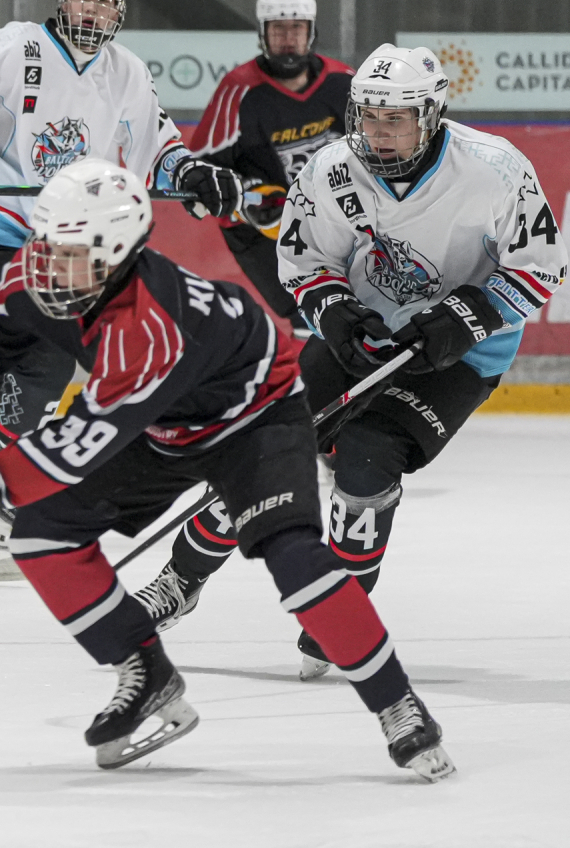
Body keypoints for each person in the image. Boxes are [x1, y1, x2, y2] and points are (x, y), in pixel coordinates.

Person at [0, 159, 452, 780]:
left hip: (254, 421)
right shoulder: (49, 267)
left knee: (294, 557)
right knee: (42, 534)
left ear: (116, 256)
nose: (48, 266)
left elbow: (71, 449)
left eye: (71, 254)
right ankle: (146, 673)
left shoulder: (148, 329)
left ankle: (398, 705)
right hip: (163, 423)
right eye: (46, 245)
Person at [134, 45, 564, 677]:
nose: (378, 133)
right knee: (261, 453)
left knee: (366, 459)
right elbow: (305, 262)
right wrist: (337, 315)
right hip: (362, 336)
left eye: (396, 119)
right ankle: (181, 578)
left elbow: (542, 267)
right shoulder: (331, 169)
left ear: (431, 115)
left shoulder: (495, 169)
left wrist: (466, 316)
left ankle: (340, 608)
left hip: (462, 352)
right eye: (368, 117)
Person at [0, 0, 241, 544]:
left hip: (65, 239)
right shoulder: (17, 45)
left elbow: (159, 144)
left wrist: (190, 172)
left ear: (120, 10)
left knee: (23, 349)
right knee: (44, 354)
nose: (91, 10)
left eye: (105, 1)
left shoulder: (128, 72)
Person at [183, 0, 354, 334]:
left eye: (297, 28)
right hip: (264, 234)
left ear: (311, 32)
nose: (288, 39)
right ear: (263, 34)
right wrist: (241, 198)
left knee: (363, 305)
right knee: (309, 317)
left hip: (334, 220)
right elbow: (198, 169)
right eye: (279, 29)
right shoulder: (239, 90)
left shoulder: (344, 83)